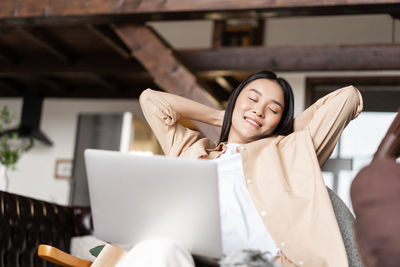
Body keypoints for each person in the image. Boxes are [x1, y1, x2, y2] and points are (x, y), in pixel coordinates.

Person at [99, 70, 363, 267]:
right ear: (235, 100)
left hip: (248, 261)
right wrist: (221, 116)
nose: (259, 110)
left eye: (273, 109)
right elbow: (151, 101)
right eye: (252, 99)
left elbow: (348, 98)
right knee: (158, 249)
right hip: (189, 254)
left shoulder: (290, 153)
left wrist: (283, 131)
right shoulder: (193, 151)